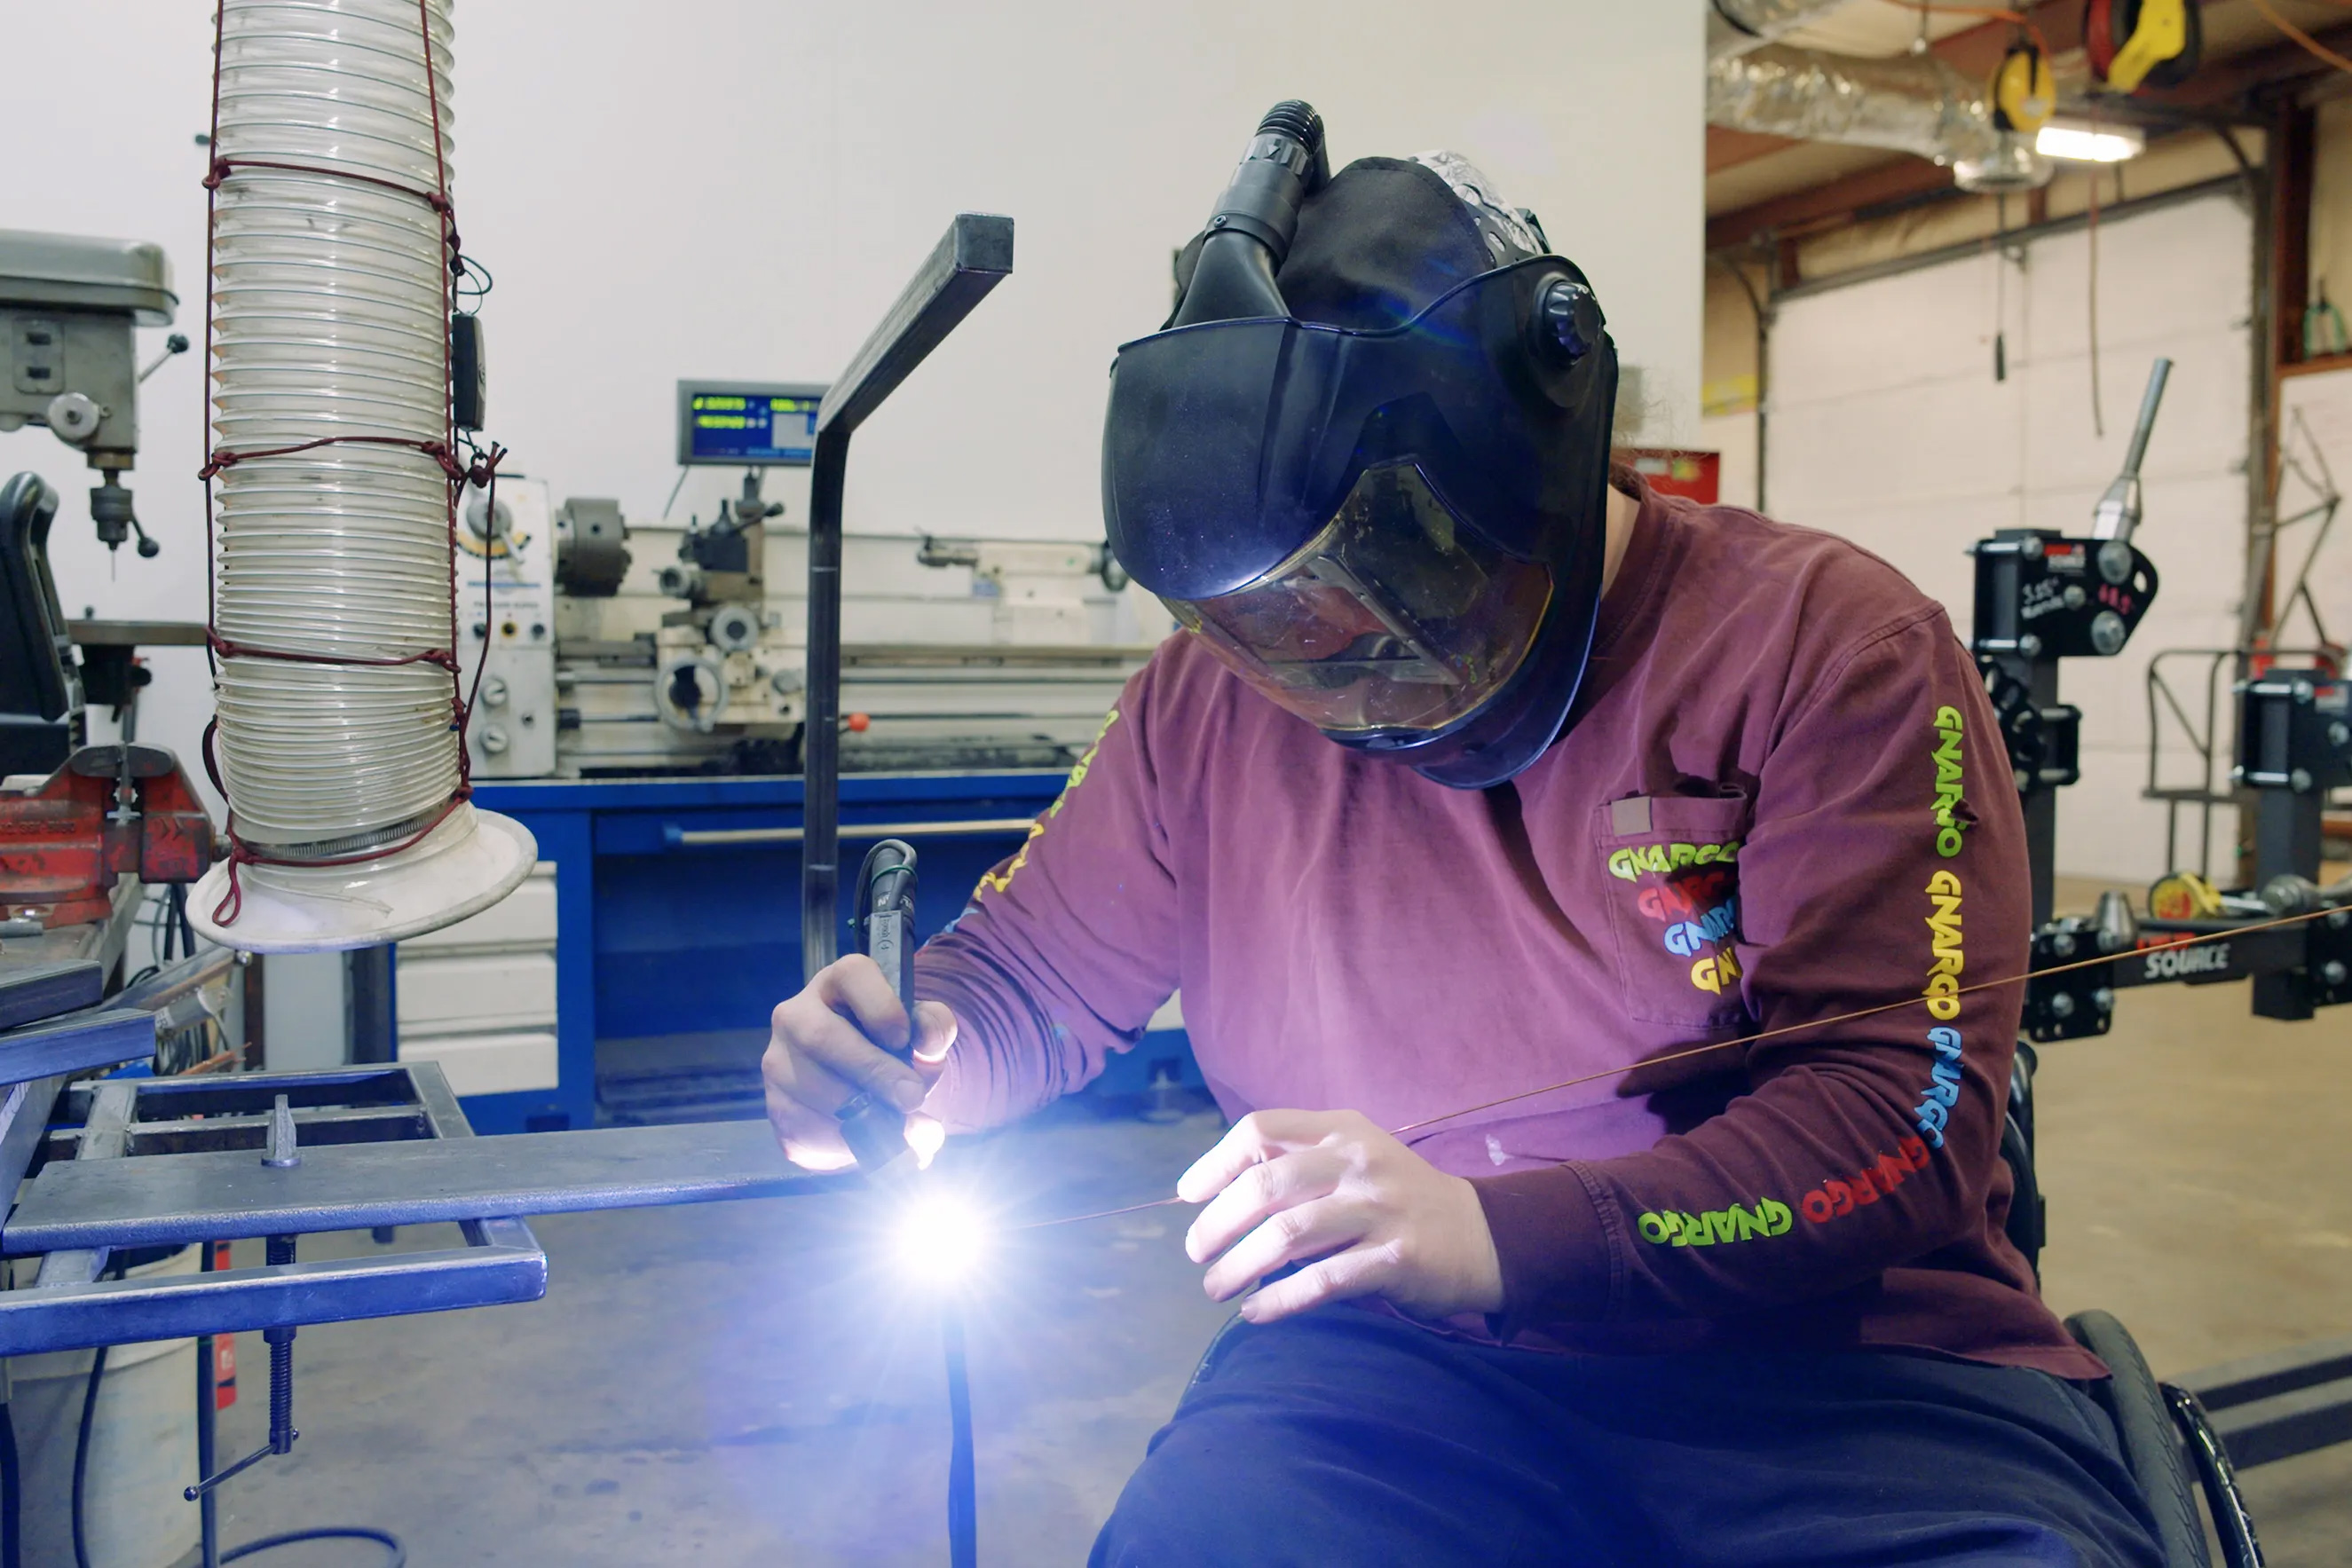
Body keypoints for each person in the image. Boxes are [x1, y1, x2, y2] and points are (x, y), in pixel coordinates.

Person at [762, 106, 2166, 1568]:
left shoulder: (1830, 646)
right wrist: (904, 1051)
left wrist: (1493, 1235)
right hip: (1397, 1374)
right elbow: (1028, 981)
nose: (1343, 680)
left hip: (1844, 1376)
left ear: (1533, 457)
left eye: (1394, 600)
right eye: (1273, 633)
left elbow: (1895, 1124)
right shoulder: (1207, 704)